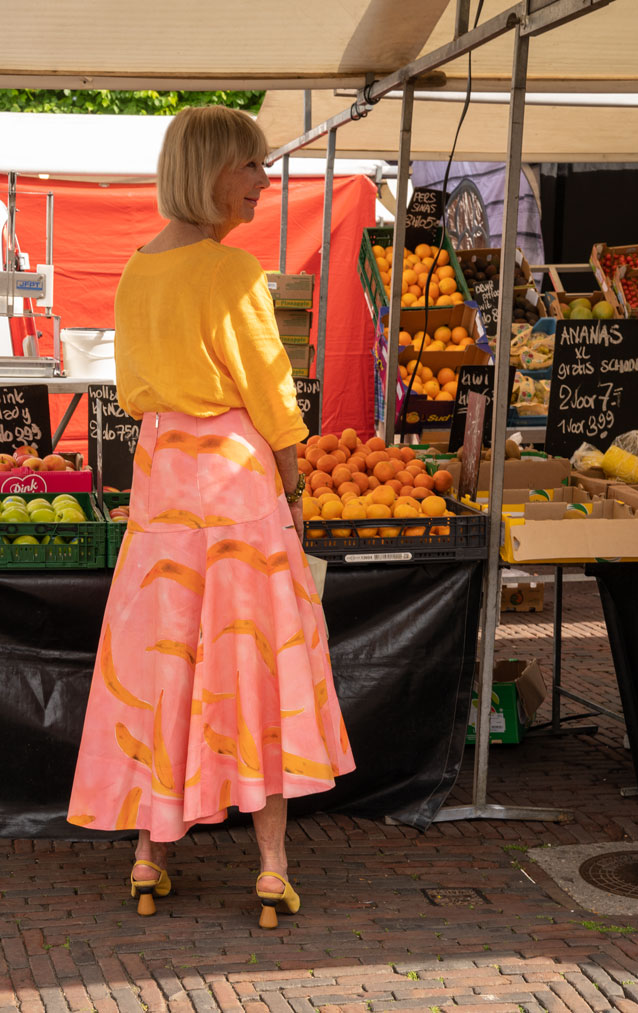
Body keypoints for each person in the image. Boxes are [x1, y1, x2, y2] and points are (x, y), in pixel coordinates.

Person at [67, 106, 355, 928]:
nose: (264, 180)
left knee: (165, 653)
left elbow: (127, 390)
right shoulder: (230, 274)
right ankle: (270, 868)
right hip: (233, 479)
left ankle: (147, 855)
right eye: (253, 166)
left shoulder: (133, 272)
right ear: (214, 172)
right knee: (252, 657)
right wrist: (295, 478)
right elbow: (271, 394)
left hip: (160, 479)